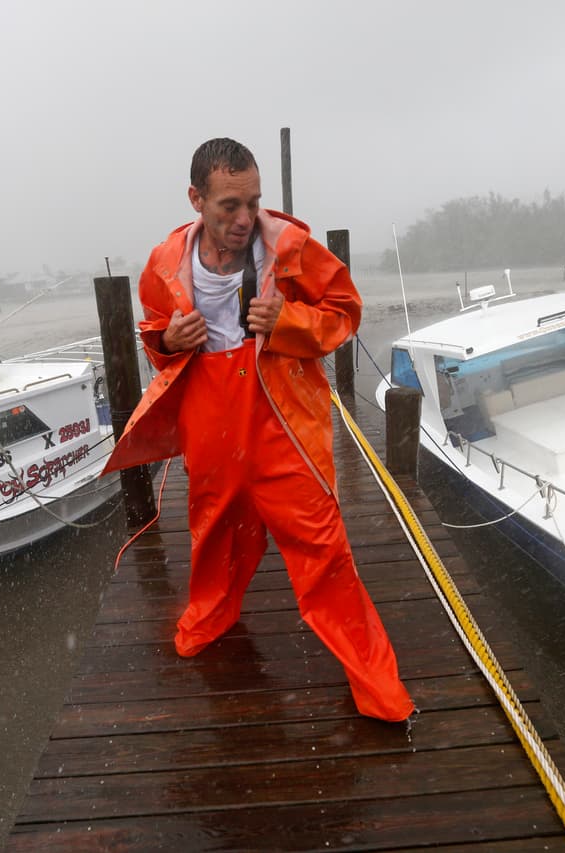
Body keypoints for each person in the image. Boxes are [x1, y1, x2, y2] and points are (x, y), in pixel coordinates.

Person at [103, 137, 414, 722]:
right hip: (209, 416)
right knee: (216, 525)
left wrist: (289, 320)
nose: (245, 218)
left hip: (281, 417)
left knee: (323, 547)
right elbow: (154, 333)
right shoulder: (164, 262)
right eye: (228, 205)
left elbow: (345, 311)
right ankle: (211, 615)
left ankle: (375, 680)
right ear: (196, 199)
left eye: (253, 202)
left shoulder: (291, 248)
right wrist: (168, 342)